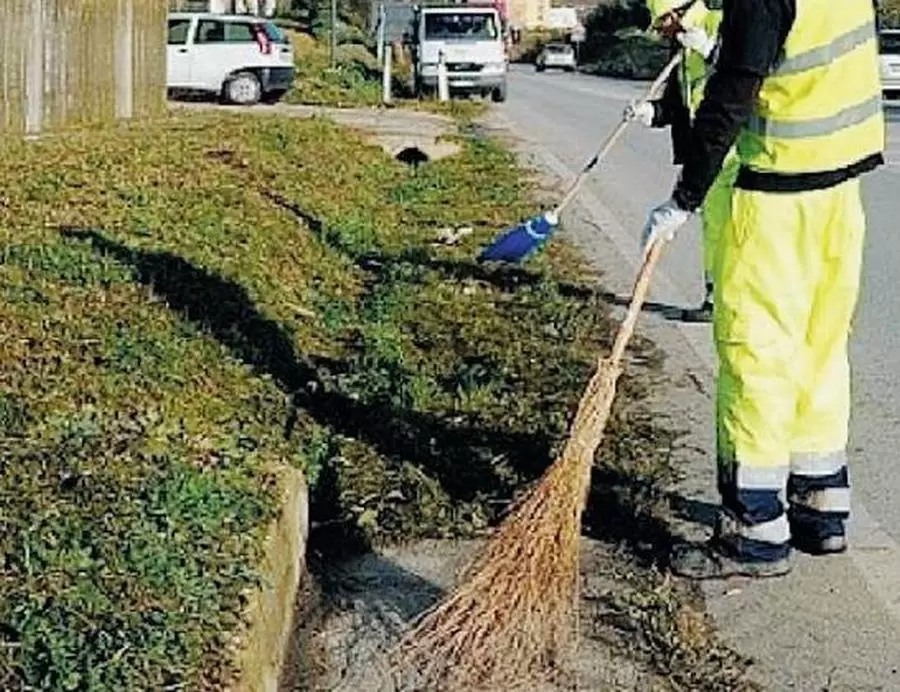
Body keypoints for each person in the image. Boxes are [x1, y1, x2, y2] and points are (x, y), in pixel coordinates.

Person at [641, 0, 885, 578]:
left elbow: (736, 89)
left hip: (774, 197)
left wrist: (684, 197)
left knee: (757, 358)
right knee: (819, 351)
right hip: (839, 193)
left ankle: (754, 533)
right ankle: (820, 510)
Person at [624, 0, 740, 323]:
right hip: (706, 158)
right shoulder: (679, 49)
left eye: (662, 23)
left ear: (676, 12)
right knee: (714, 230)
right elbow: (678, 106)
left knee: (741, 232)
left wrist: (710, 49)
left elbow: (747, 73)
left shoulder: (724, 23)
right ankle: (715, 299)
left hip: (739, 152)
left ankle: (741, 304)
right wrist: (651, 113)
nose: (661, 31)